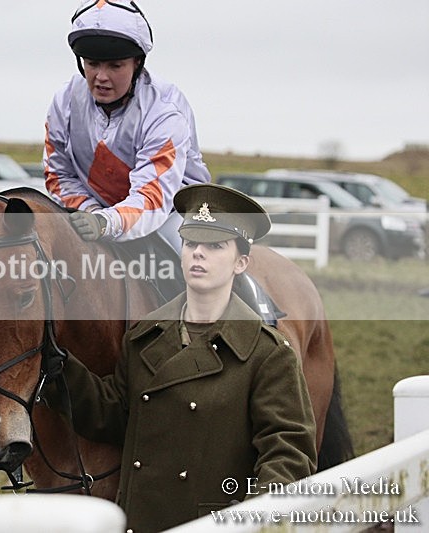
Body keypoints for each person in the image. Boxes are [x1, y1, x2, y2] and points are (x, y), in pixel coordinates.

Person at [45, 183, 317, 532]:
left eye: (215, 246)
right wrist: (56, 364)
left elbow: (289, 454)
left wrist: (249, 522)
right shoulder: (145, 336)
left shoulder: (267, 353)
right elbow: (116, 416)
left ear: (241, 262)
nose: (198, 254)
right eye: (191, 243)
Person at [44, 0, 210, 250]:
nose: (101, 77)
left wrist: (105, 222)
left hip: (172, 214)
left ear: (137, 63)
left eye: (115, 66)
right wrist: (91, 211)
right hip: (95, 211)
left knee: (199, 263)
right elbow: (59, 175)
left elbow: (153, 197)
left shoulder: (165, 111)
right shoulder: (64, 101)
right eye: (92, 63)